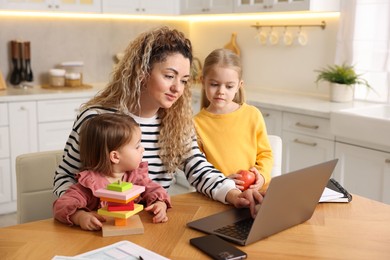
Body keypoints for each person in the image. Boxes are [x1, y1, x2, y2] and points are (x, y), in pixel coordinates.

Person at [53, 26, 262, 217]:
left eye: (184, 80)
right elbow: (65, 177)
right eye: (169, 76)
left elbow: (199, 169)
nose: (177, 89)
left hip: (155, 223)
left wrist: (234, 194)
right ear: (142, 72)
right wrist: (79, 214)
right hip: (101, 225)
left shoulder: (177, 122)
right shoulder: (96, 119)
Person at [53, 113, 171, 231]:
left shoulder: (136, 176)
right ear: (115, 156)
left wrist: (160, 204)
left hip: (132, 233)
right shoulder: (90, 184)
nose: (142, 149)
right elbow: (62, 205)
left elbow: (155, 190)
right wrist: (79, 217)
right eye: (137, 146)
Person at [194, 48, 273, 192]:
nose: (221, 91)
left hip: (253, 192)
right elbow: (198, 168)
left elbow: (265, 154)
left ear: (238, 86)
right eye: (214, 84)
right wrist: (222, 183)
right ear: (202, 81)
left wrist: (261, 175)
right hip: (219, 196)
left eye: (229, 86)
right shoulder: (196, 124)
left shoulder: (252, 115)